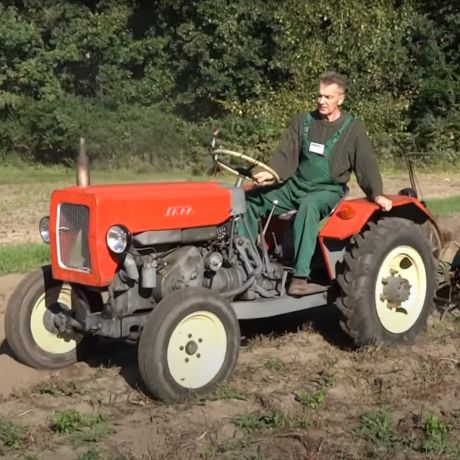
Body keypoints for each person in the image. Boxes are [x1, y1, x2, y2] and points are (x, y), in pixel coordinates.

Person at [238, 71, 393, 296]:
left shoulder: (353, 129)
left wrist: (376, 193)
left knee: (309, 207)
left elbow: (366, 163)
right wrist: (270, 174)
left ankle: (300, 276)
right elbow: (285, 155)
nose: (321, 101)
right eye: (319, 96)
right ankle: (247, 266)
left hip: (327, 190)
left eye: (328, 97)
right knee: (251, 201)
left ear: (341, 98)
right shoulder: (303, 122)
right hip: (296, 184)